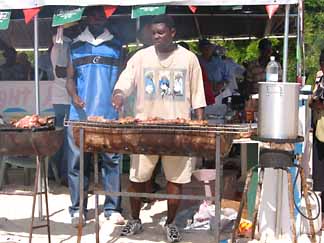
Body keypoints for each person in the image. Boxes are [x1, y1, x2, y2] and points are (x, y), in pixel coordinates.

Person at [112, 15, 206, 242]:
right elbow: (126, 81)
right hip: (145, 128)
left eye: (161, 33)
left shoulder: (188, 58)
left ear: (172, 33)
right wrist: (119, 94)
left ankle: (171, 223)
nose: (156, 37)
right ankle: (134, 219)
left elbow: (197, 95)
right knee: (137, 177)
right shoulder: (141, 57)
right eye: (153, 33)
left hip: (178, 131)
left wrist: (199, 127)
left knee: (175, 179)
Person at [65, 6, 124, 226]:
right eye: (94, 15)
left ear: (106, 17)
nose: (98, 19)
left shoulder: (117, 45)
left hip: (109, 114)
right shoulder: (76, 46)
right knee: (78, 163)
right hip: (80, 114)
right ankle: (77, 209)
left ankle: (112, 208)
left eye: (101, 15)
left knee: (112, 161)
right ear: (87, 18)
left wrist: (119, 97)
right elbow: (69, 78)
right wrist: (74, 95)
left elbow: (123, 78)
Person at [310, 50, 324, 213]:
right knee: (321, 180)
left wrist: (316, 103)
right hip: (320, 131)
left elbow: (318, 103)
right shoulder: (320, 80)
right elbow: (313, 102)